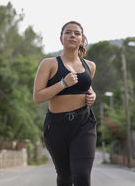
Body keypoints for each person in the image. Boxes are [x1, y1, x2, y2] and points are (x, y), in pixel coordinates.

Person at [33, 21, 97, 186]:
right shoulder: (49, 64)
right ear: (61, 38)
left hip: (84, 124)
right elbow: (38, 97)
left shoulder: (90, 66)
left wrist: (93, 96)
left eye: (77, 33)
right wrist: (62, 83)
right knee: (65, 176)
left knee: (82, 176)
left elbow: (87, 89)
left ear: (82, 40)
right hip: (56, 126)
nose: (72, 36)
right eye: (68, 32)